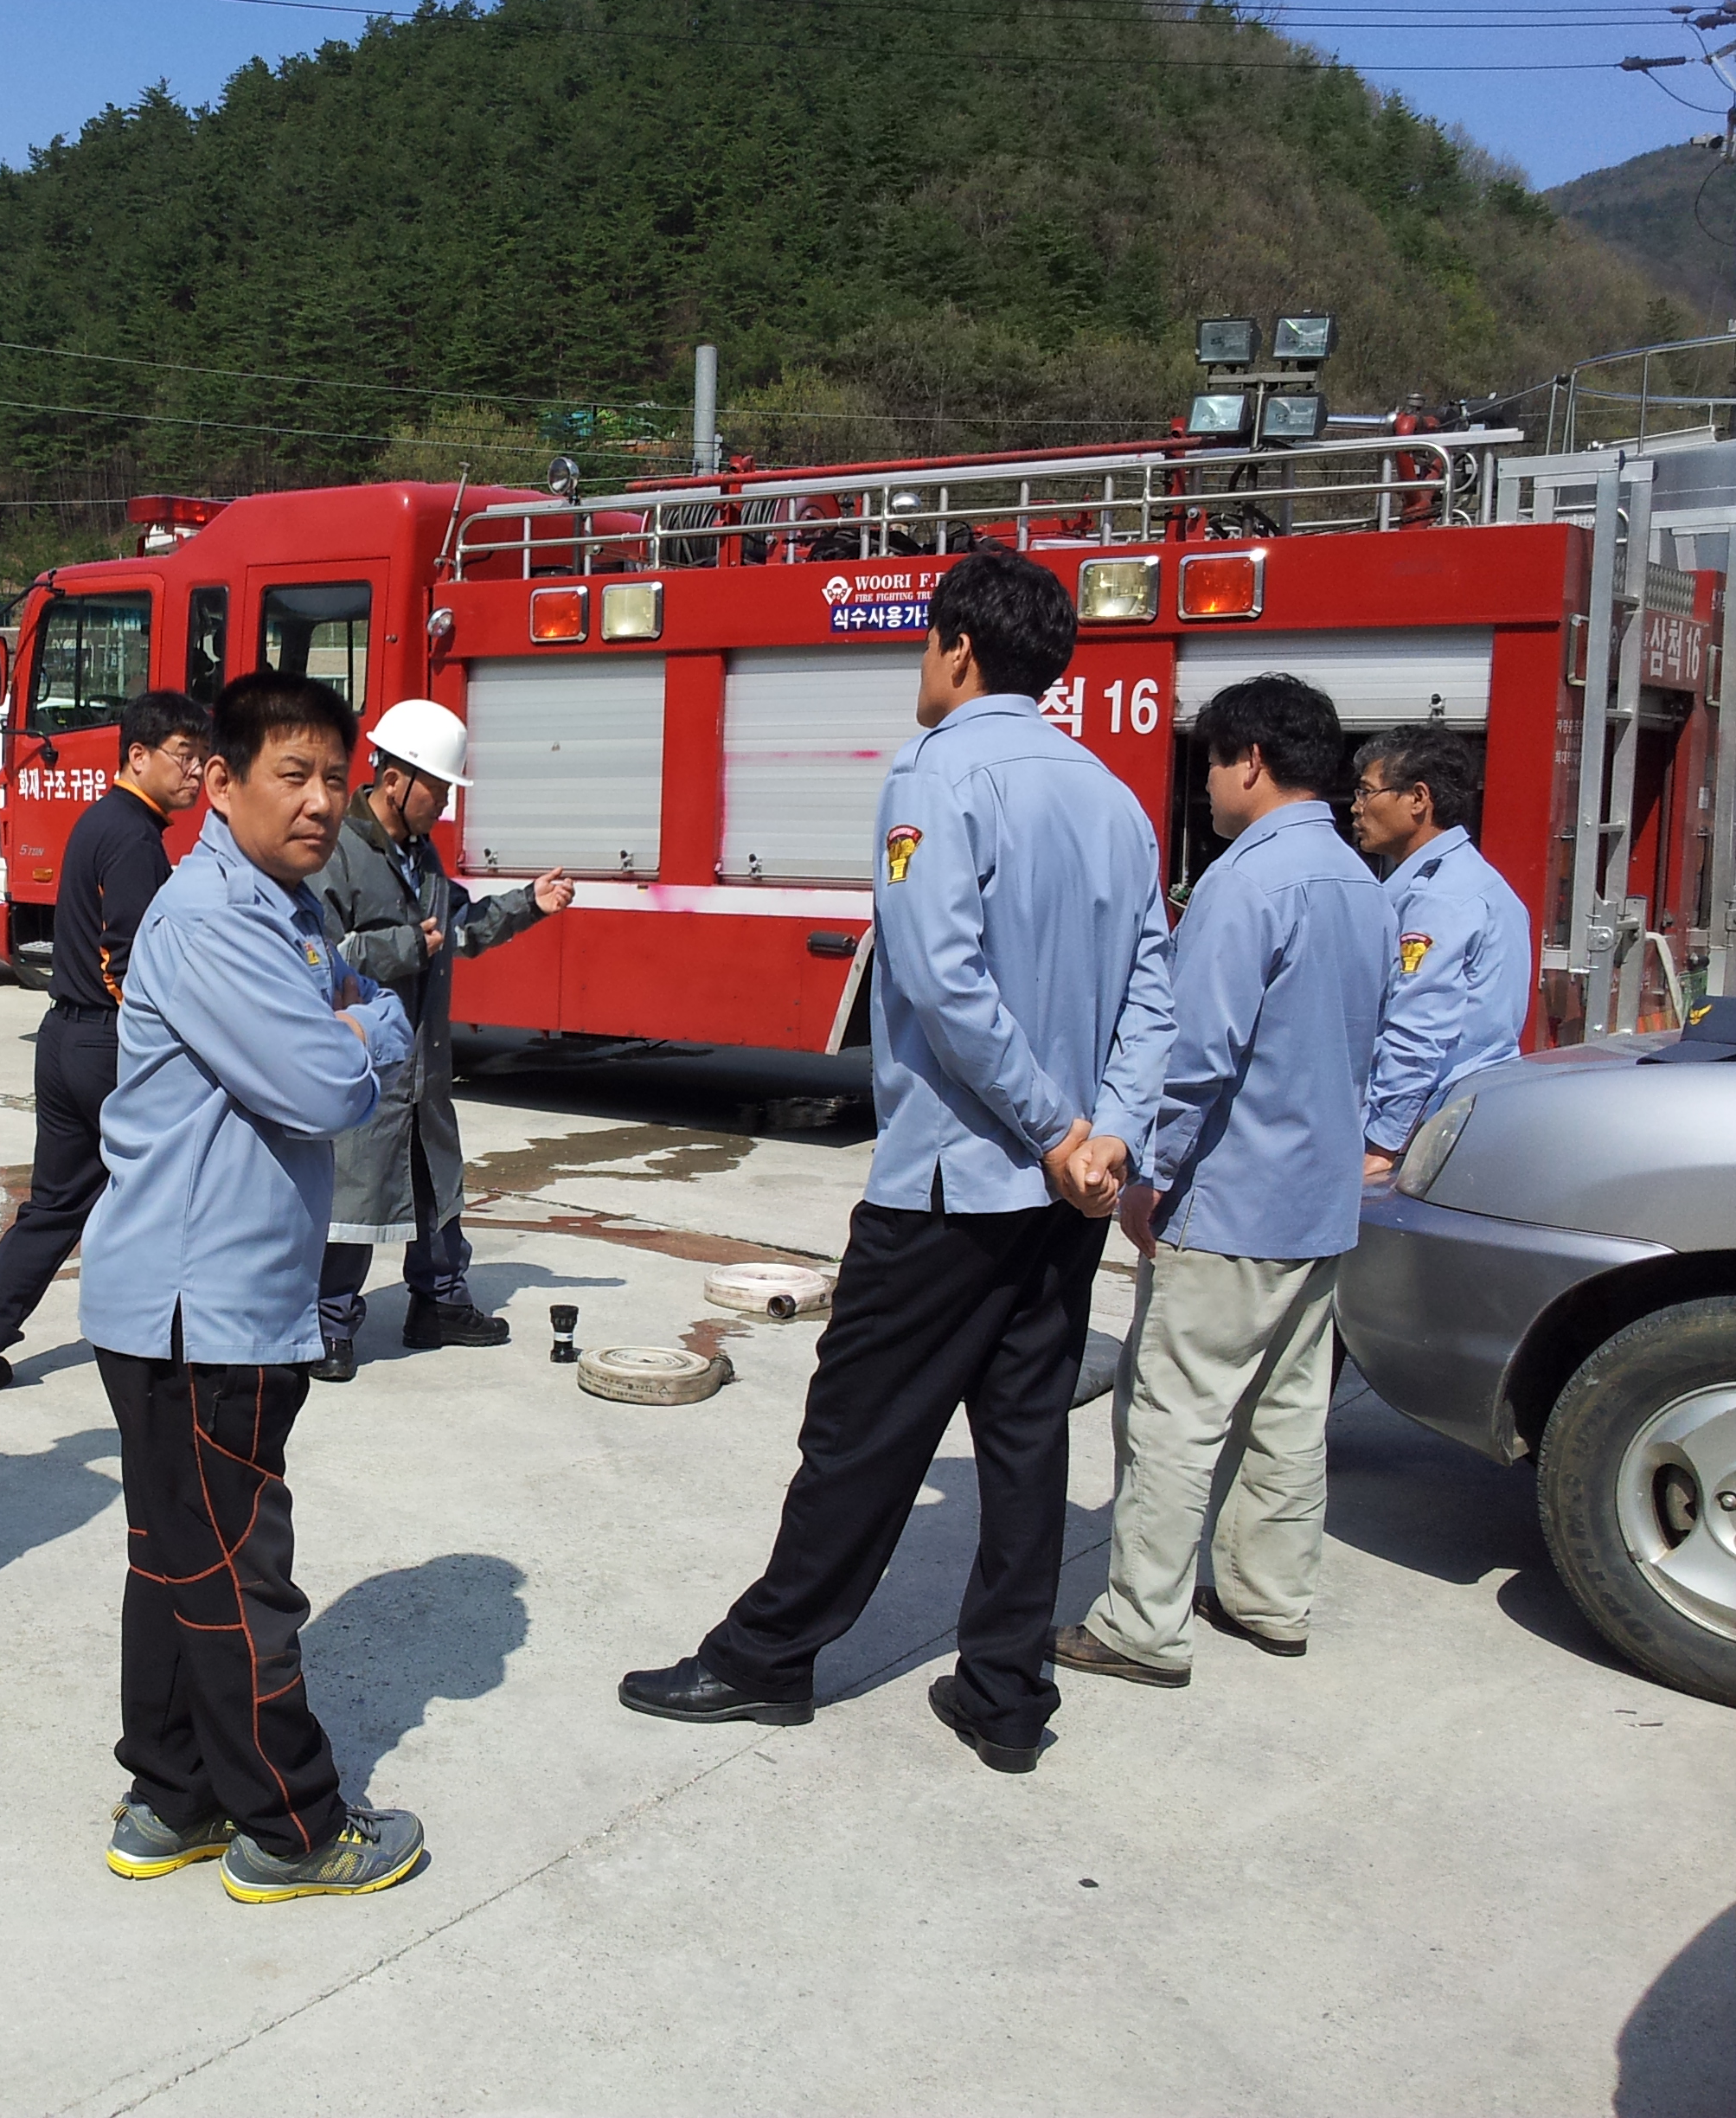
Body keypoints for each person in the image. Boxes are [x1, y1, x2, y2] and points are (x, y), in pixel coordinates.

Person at [618, 546, 1174, 1774]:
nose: (919, 666)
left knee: (858, 1427)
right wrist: (1107, 1136)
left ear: (960, 649)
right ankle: (1004, 1691)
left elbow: (941, 980)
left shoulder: (937, 772)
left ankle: (765, 1659)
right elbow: (1153, 990)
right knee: (1026, 1436)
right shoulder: (1113, 797)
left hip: (955, 1184)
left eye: (925, 642)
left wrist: (1055, 1132)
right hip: (1064, 1197)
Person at [78, 670, 427, 1902]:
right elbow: (330, 1084)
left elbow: (343, 1019)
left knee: (180, 1560)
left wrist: (350, 1020)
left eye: (337, 776)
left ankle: (171, 1796)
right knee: (236, 1575)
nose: (323, 800)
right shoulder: (217, 920)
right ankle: (291, 1825)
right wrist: (367, 1028)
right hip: (203, 1311)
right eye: (294, 774)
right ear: (220, 783)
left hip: (208, 1300)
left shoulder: (279, 906)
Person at [1053, 675, 1393, 1686]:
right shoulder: (1360, 883)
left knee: (1173, 1414)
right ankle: (1268, 1600)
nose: (1201, 783)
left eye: (1207, 761)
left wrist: (1145, 1173)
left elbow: (1193, 1056)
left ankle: (1141, 1626)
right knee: (1286, 1415)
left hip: (1232, 1202)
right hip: (1317, 1201)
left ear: (1250, 761)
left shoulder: (1247, 884)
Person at [0, 689, 209, 1402]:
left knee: (57, 1203)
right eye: (183, 756)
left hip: (63, 1037)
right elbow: (130, 961)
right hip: (107, 1044)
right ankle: (176, 1343)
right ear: (139, 756)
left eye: (202, 758)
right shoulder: (134, 838)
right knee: (172, 1189)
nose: (195, 772)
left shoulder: (100, 820)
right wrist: (160, 1045)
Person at [309, 696, 573, 1382]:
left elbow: (457, 929)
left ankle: (440, 1303)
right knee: (353, 1196)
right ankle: (327, 1325)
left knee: (436, 1186)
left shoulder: (420, 857)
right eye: (440, 789)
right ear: (395, 779)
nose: (447, 805)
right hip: (365, 1064)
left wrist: (527, 904)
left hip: (421, 1067)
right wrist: (401, 947)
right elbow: (317, 956)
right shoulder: (336, 852)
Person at [1348, 723, 1533, 1184]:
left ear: (1418, 799)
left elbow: (1418, 1030)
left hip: (1426, 1130)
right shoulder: (1470, 880)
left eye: (1367, 792)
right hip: (1467, 1117)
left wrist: (1382, 1143)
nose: (1355, 807)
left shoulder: (1439, 898)